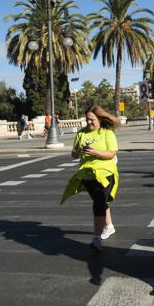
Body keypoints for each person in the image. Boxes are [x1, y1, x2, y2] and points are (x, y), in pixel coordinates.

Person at [60, 106, 121, 251]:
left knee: (99, 203)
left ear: (99, 119)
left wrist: (95, 152)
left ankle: (96, 239)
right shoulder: (81, 133)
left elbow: (111, 153)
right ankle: (109, 226)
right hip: (87, 175)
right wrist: (79, 151)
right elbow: (73, 154)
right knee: (100, 201)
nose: (89, 122)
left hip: (105, 174)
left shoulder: (107, 133)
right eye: (87, 119)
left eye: (92, 119)